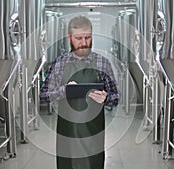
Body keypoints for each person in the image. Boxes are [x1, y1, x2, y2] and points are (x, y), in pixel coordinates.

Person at [40, 15, 119, 169]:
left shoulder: (103, 63)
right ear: (69, 38)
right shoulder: (60, 63)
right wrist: (64, 91)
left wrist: (106, 98)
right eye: (79, 38)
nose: (84, 43)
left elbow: (115, 97)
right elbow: (43, 96)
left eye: (88, 37)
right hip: (67, 136)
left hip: (94, 136)